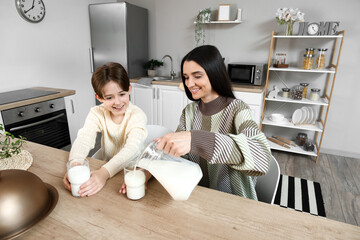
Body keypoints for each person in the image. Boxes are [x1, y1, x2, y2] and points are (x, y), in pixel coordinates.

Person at [156, 45, 272, 200]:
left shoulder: (238, 110)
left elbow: (262, 158)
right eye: (186, 77)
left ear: (215, 74)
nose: (189, 84)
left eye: (197, 76)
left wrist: (197, 140)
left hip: (233, 203)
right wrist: (151, 169)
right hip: (197, 197)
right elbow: (178, 160)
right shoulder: (189, 112)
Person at [63, 62, 147, 197]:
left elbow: (132, 148)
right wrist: (74, 164)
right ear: (99, 98)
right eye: (109, 97)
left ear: (129, 89)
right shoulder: (97, 113)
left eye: (122, 94)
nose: (118, 102)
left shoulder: (137, 115)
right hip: (108, 167)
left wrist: (104, 173)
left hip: (133, 172)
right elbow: (85, 138)